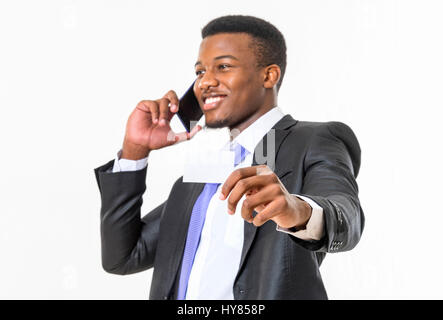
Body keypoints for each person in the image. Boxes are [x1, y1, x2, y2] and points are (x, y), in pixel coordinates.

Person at [94, 15, 364, 300]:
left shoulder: (312, 140)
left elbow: (347, 216)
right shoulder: (201, 174)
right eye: (200, 72)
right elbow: (122, 257)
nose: (206, 81)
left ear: (269, 75)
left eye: (223, 67)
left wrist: (297, 210)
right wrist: (135, 150)